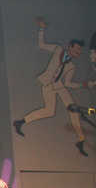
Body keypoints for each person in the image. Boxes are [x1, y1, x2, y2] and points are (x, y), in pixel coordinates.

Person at [13, 17, 93, 156]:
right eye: (76, 49)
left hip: (59, 86)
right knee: (49, 111)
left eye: (79, 51)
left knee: (73, 110)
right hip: (48, 84)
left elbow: (68, 84)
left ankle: (80, 140)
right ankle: (21, 121)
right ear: (70, 46)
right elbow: (41, 45)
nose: (77, 53)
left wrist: (84, 85)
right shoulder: (57, 49)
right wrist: (41, 29)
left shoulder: (71, 66)